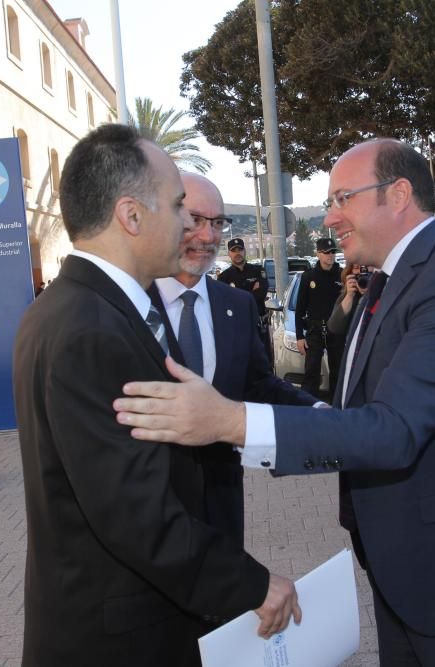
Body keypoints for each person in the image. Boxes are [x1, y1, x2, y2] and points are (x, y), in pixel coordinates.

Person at [115, 138, 435, 666]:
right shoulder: (390, 280)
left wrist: (231, 422)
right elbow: (359, 408)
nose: (329, 218)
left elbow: (393, 429)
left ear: (397, 195)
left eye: (342, 198)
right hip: (413, 569)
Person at [12, 124, 299, 666]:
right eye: (177, 207)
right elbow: (135, 516)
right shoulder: (91, 330)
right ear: (132, 215)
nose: (189, 223)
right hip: (120, 636)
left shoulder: (74, 309)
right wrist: (253, 586)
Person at [148, 172, 319, 545]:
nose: (208, 236)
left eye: (217, 223)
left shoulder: (235, 305)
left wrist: (319, 416)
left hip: (222, 502)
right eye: (193, 220)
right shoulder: (126, 305)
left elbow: (258, 384)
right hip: (150, 514)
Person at [295, 237, 344, 398]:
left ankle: (337, 409)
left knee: (337, 371)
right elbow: (300, 308)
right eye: (326, 253)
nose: (330, 256)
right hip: (315, 329)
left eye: (333, 252)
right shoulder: (309, 277)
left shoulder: (342, 275)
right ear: (318, 254)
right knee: (311, 371)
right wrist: (299, 336)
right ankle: (308, 407)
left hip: (336, 329)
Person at [217, 237, 273, 363]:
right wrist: (251, 292)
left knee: (264, 367)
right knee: (242, 370)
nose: (237, 253)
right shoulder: (223, 278)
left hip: (259, 328)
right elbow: (225, 303)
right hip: (237, 331)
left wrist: (236, 295)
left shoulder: (258, 270)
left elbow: (261, 294)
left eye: (240, 249)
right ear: (229, 254)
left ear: (245, 251)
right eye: (233, 250)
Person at [327, 262, 369, 339]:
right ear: (350, 273)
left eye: (365, 269)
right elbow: (333, 327)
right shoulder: (347, 296)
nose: (361, 272)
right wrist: (349, 296)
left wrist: (369, 293)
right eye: (356, 268)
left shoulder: (381, 290)